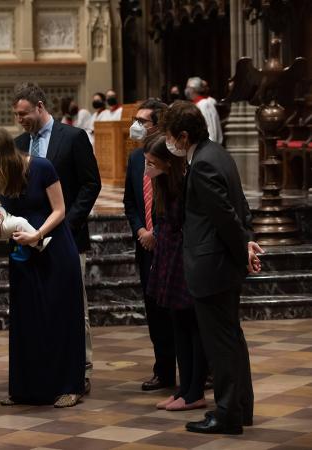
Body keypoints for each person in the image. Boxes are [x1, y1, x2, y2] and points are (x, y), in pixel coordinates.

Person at [161, 101, 263, 435]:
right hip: (223, 264)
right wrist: (246, 242)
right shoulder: (218, 152)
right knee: (232, 340)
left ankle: (227, 414)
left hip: (212, 268)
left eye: (170, 136)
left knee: (220, 345)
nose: (169, 142)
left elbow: (224, 217)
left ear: (184, 135)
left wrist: (241, 249)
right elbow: (241, 205)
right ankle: (240, 407)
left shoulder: (203, 163)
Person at [0, 126, 86, 407]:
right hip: (23, 250)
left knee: (60, 317)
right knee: (27, 319)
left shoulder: (41, 166)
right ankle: (26, 388)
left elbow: (60, 210)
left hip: (54, 246)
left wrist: (37, 235)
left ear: (1, 154)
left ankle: (69, 386)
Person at [10, 82, 101, 394]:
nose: (20, 120)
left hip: (68, 235)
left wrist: (67, 225)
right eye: (16, 115)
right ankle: (45, 371)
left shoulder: (72, 137)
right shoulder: (20, 143)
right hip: (30, 238)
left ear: (40, 106)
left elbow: (91, 184)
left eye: (24, 114)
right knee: (41, 307)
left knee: (76, 307)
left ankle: (81, 369)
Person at [143, 133, 208, 412]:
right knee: (177, 325)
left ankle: (195, 390)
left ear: (168, 164)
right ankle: (184, 388)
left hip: (184, 257)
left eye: (152, 163)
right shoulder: (162, 184)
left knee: (192, 326)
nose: (147, 168)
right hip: (169, 255)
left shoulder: (184, 184)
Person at [123, 99, 176, 392]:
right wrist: (141, 230)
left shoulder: (173, 157)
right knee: (154, 311)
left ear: (158, 125)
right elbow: (130, 201)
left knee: (179, 311)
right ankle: (164, 371)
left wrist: (158, 232)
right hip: (145, 246)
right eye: (135, 119)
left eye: (142, 121)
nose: (136, 126)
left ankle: (198, 370)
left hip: (170, 245)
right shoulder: (134, 159)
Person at [185, 77, 222, 144]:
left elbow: (211, 127)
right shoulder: (196, 104)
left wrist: (211, 145)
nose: (186, 90)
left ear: (193, 89)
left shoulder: (205, 104)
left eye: (188, 87)